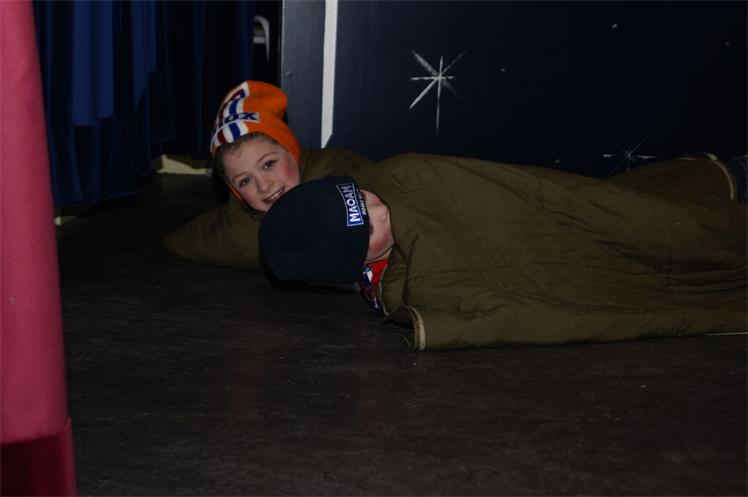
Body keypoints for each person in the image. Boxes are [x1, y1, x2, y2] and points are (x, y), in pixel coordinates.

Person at [259, 154, 747, 350]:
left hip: (558, 217)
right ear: (350, 264)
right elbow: (502, 303)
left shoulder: (403, 179)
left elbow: (519, 196)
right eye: (366, 227)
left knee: (636, 218)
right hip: (553, 261)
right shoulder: (408, 285)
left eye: (362, 197)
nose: (381, 210)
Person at [163, 80, 373, 267]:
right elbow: (185, 241)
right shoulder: (243, 234)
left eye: (268, 164)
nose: (264, 186)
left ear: (291, 151)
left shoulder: (342, 173)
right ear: (235, 192)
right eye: (245, 180)